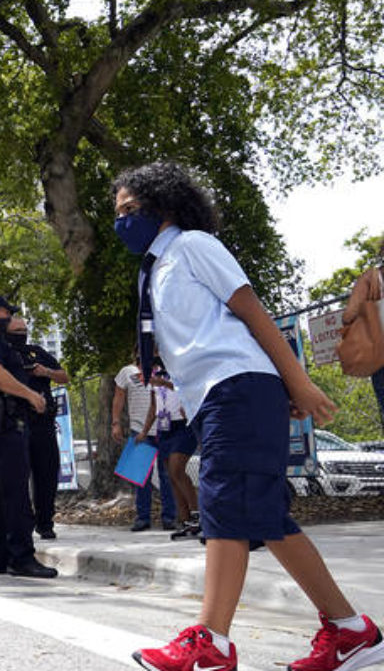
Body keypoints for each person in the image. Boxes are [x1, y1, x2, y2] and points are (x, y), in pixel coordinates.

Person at [114, 162, 384, 671]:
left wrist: (297, 381)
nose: (121, 222)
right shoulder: (155, 268)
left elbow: (252, 312)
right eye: (117, 213)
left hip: (235, 387)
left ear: (163, 206)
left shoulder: (192, 246)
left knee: (222, 505)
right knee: (264, 517)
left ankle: (211, 643)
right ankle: (353, 633)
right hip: (221, 394)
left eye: (130, 210)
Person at [0, 295, 57, 579]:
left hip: (0, 422)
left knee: (0, 493)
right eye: (7, 312)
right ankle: (21, 557)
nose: (11, 318)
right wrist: (30, 394)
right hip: (1, 422)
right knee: (16, 492)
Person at [7, 317, 69, 540]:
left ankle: (45, 523)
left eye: (24, 330)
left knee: (47, 473)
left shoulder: (37, 352)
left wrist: (46, 373)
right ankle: (21, 523)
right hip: (16, 423)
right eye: (16, 330)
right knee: (18, 476)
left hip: (43, 423)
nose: (21, 333)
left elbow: (65, 377)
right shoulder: (2, 354)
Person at [112, 353, 176, 531]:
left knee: (166, 475)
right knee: (141, 476)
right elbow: (118, 397)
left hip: (165, 427)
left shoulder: (165, 371)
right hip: (139, 429)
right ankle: (142, 517)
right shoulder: (127, 372)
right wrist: (115, 422)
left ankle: (170, 517)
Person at [145, 365, 200, 540]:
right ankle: (185, 520)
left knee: (177, 468)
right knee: (171, 475)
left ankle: (198, 515)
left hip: (184, 424)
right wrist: (145, 430)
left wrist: (164, 383)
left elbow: (188, 389)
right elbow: (154, 406)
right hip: (164, 426)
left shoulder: (179, 366)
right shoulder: (153, 373)